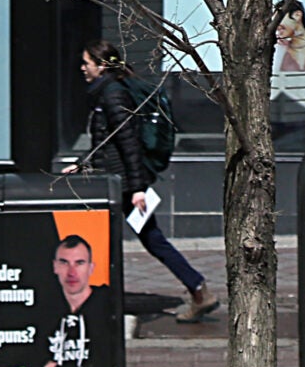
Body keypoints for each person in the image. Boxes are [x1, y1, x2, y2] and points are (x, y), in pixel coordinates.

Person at [71, 42, 216, 325]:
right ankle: (198, 290)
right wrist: (82, 162)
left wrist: (138, 188)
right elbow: (107, 142)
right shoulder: (107, 93)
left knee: (140, 239)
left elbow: (128, 143)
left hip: (123, 185)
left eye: (86, 62)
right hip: (118, 181)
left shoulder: (113, 95)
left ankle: (100, 301)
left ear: (101, 66)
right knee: (151, 239)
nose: (82, 67)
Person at [19, 232, 123, 367]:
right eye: (65, 263)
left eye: (80, 263)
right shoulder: (45, 315)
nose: (72, 272)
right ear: (55, 267)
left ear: (91, 268)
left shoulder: (107, 307)